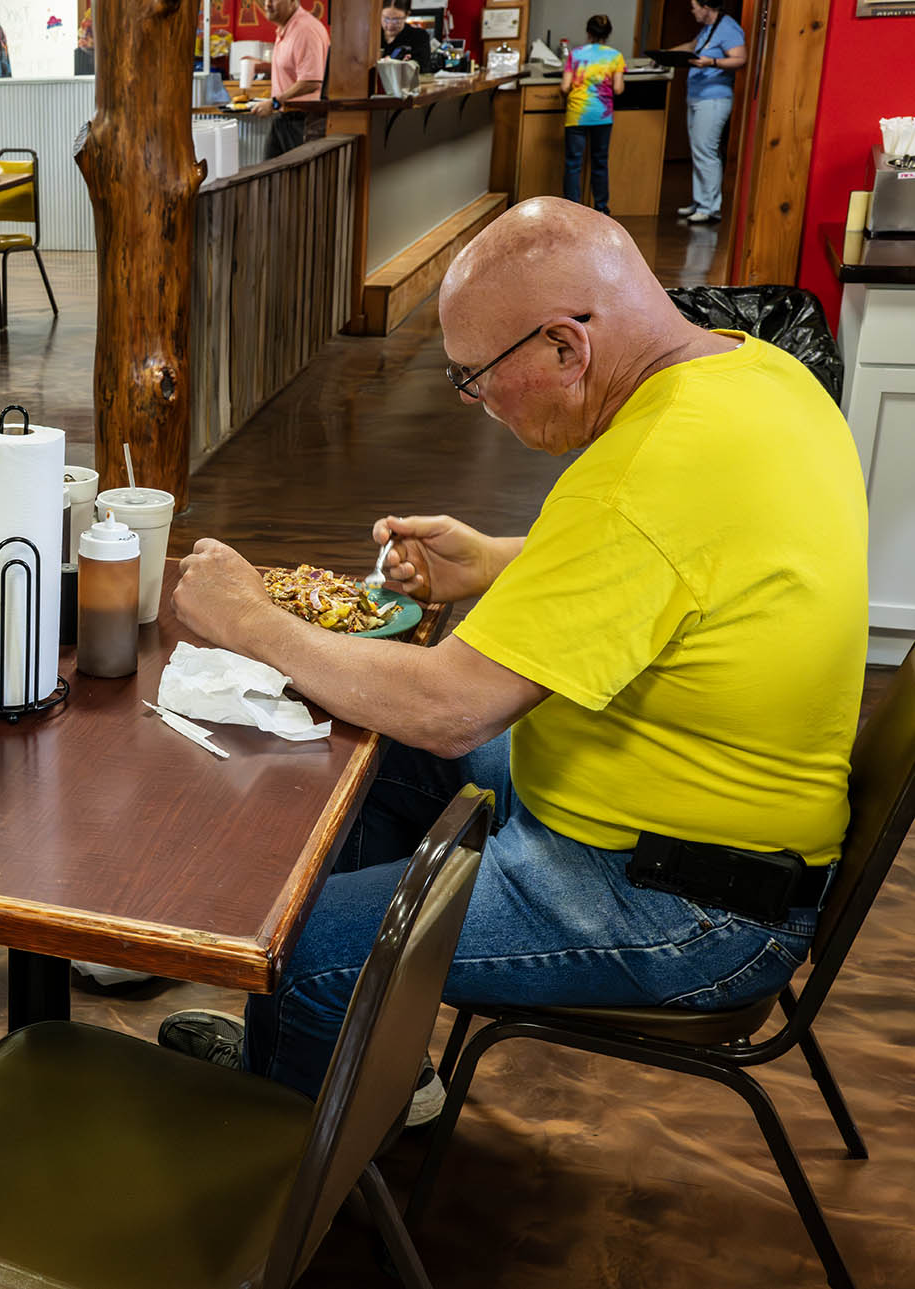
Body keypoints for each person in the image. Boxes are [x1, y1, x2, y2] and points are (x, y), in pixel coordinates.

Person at [156, 198, 866, 1119]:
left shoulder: (640, 476)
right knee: (368, 754)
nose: (472, 400)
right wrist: (497, 561)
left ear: (567, 346)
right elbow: (682, 559)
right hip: (688, 837)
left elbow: (451, 708)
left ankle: (283, 1139)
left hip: (687, 903)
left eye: (475, 375)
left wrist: (250, 619)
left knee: (303, 940)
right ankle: (348, 1062)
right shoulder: (761, 372)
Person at [675, 0, 746, 224]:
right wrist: (663, 55)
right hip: (697, 96)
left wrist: (712, 62)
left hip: (714, 99)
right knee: (699, 150)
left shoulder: (728, 28)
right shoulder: (708, 28)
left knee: (706, 151)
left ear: (706, 7)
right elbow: (692, 46)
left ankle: (710, 207)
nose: (692, 11)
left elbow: (740, 58)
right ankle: (700, 201)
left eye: (694, 6)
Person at [249, 0, 331, 159]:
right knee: (269, 172)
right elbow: (293, 68)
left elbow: (311, 82)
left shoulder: (305, 29)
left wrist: (274, 102)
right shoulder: (287, 28)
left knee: (298, 174)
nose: (267, 4)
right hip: (285, 118)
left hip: (303, 121)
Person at [562, 14, 624, 215]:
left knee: (573, 163)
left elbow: (564, 87)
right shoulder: (615, 56)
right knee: (600, 162)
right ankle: (601, 208)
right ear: (608, 34)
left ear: (588, 32)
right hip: (601, 115)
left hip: (577, 114)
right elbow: (618, 89)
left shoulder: (576, 54)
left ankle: (571, 209)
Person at [380, 0, 439, 73]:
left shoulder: (419, 36)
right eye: (386, 19)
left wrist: (408, 65)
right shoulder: (371, 35)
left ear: (407, 15)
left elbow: (424, 68)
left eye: (396, 20)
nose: (390, 25)